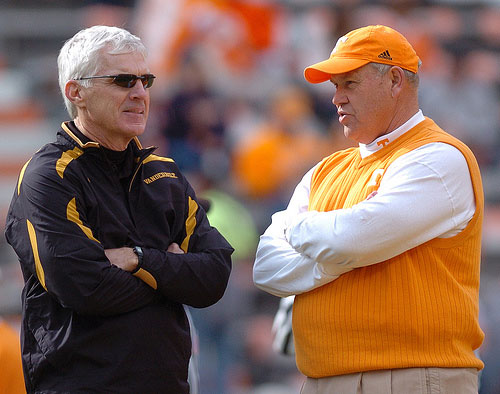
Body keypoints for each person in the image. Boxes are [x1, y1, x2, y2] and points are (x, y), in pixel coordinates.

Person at [253, 25, 484, 394]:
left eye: (349, 83)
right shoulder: (324, 170)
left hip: (413, 376)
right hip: (321, 379)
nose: (336, 99)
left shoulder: (439, 157)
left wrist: (299, 229)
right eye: (335, 86)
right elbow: (266, 269)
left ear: (395, 80)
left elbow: (350, 240)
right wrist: (344, 251)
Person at [5, 25, 233, 393]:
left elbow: (214, 276)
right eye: (123, 81)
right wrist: (172, 274)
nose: (140, 94)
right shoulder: (47, 176)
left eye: (146, 81)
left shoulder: (166, 173)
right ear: (75, 92)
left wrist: (138, 259)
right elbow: (86, 288)